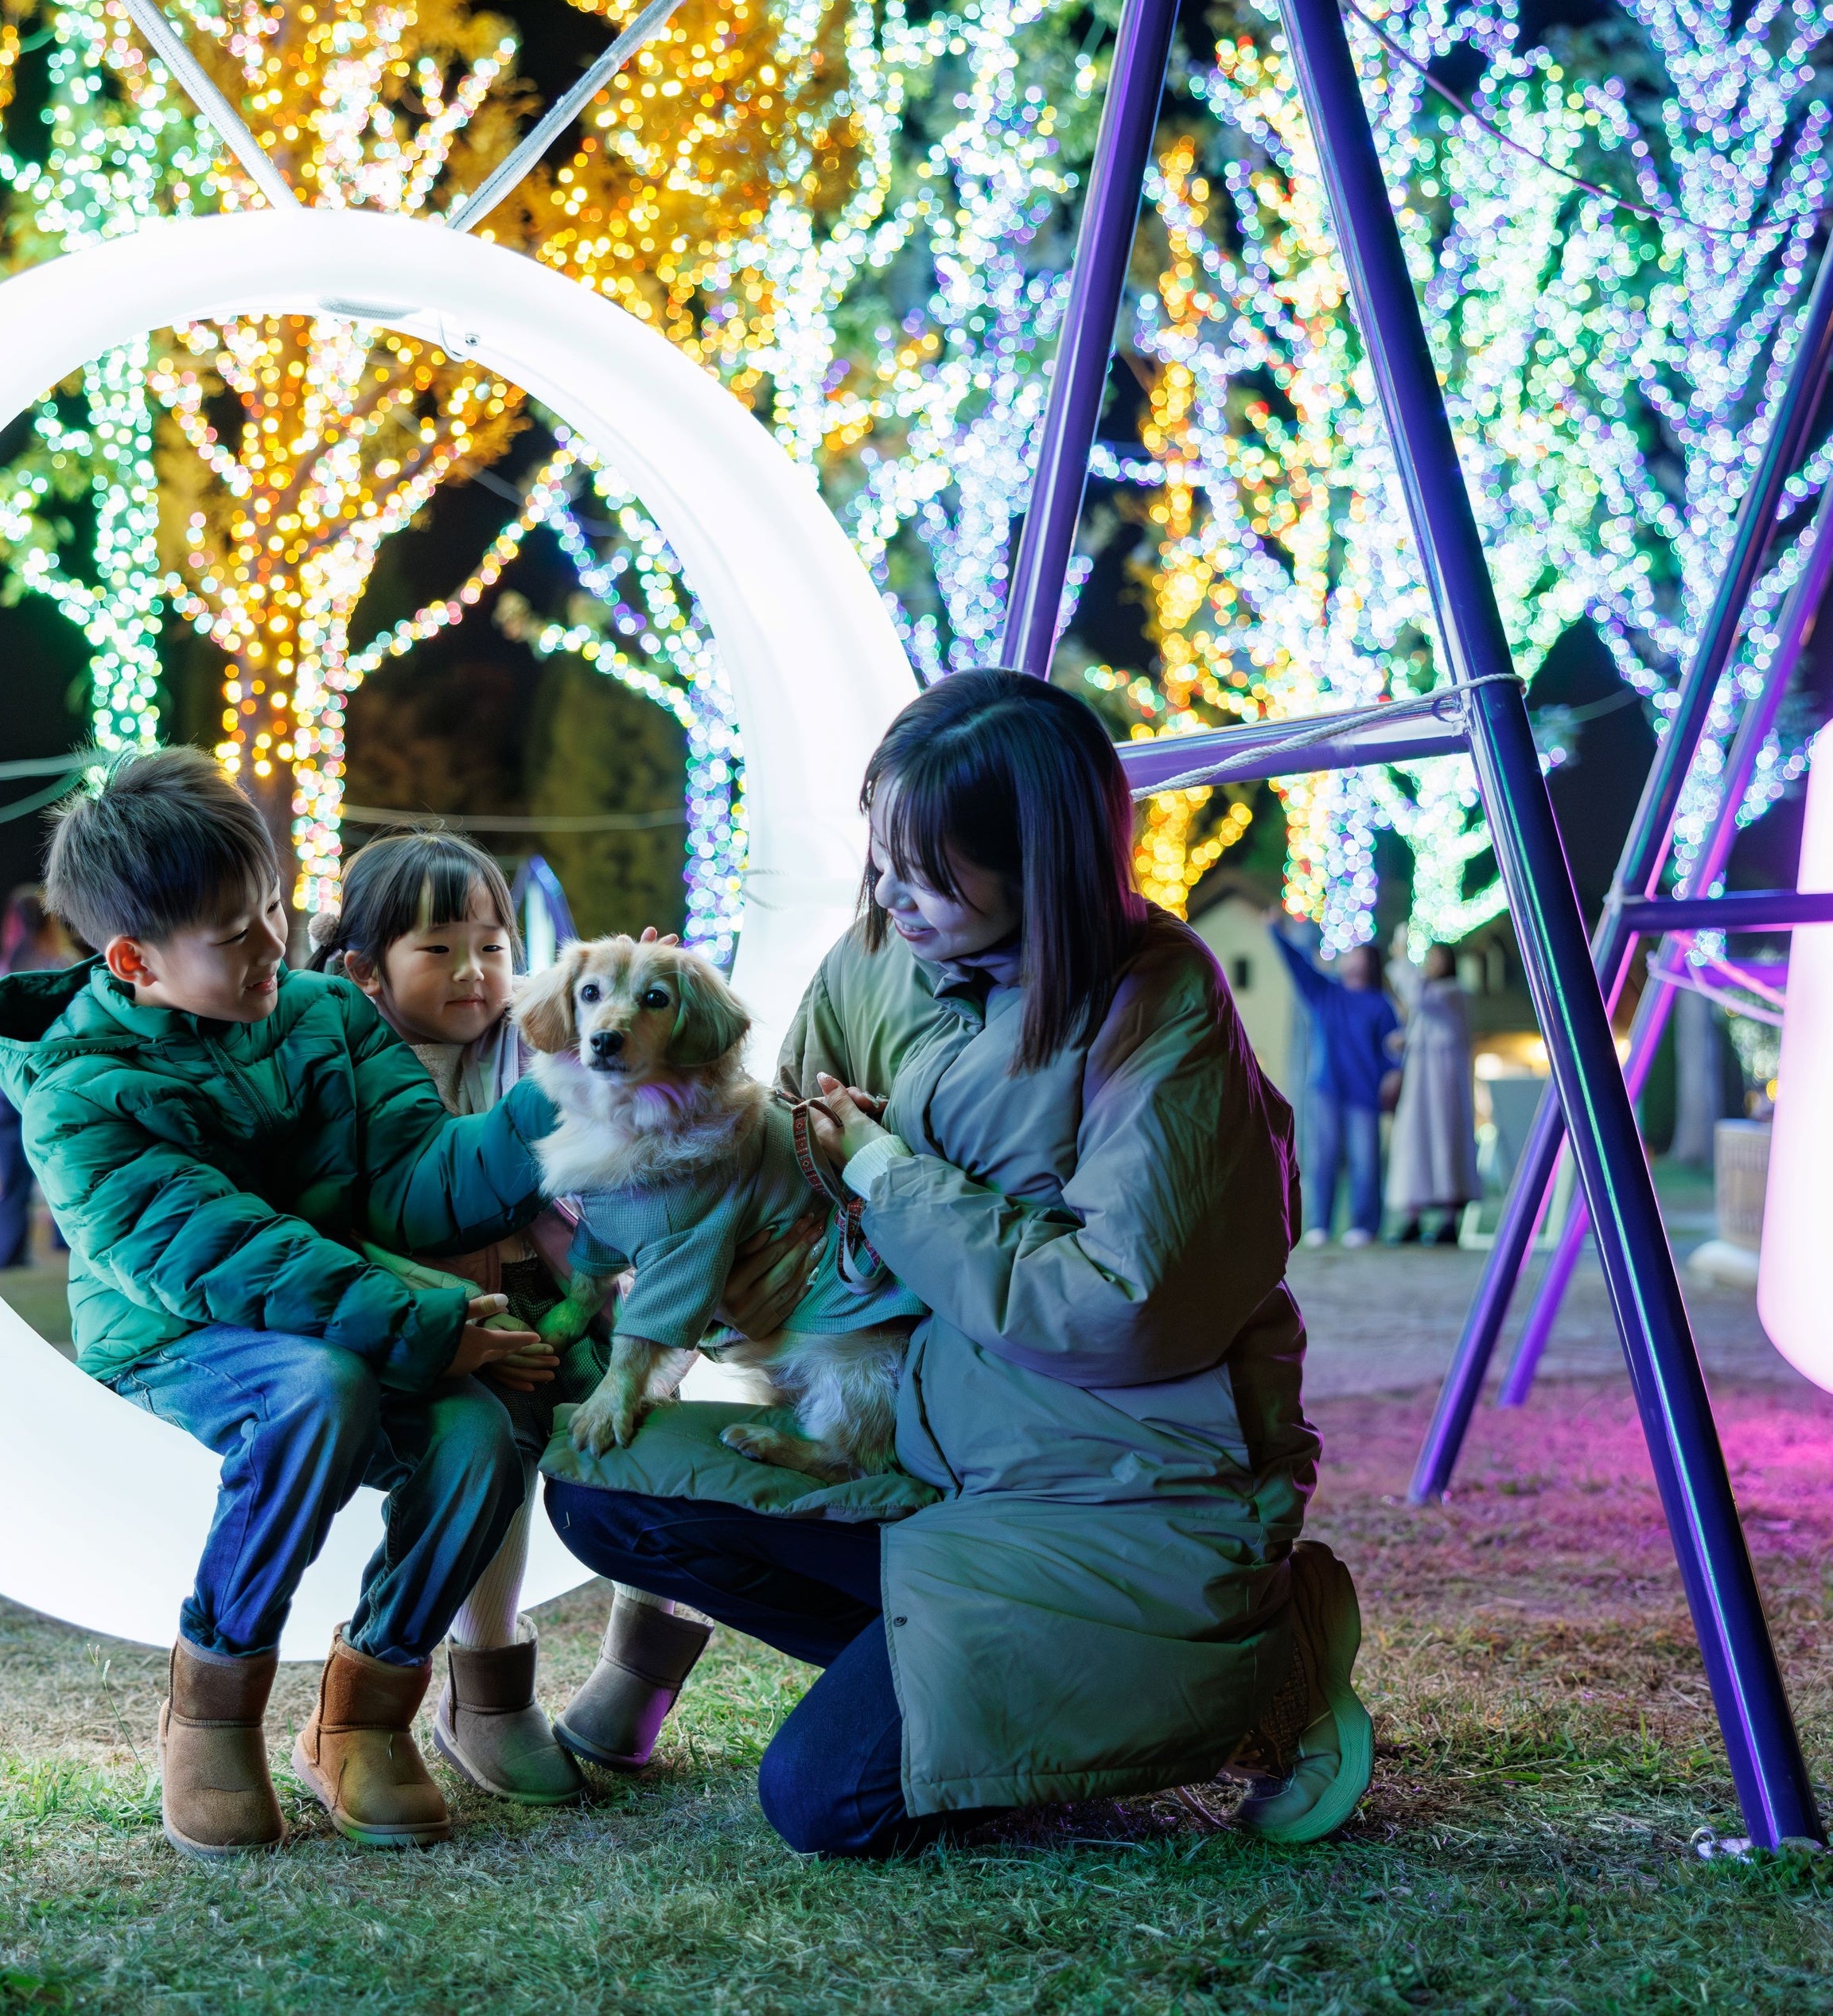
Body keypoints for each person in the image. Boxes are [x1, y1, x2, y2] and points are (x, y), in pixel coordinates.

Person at [542, 668, 1370, 1858]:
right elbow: (792, 1152)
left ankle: (1254, 1668)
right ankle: (973, 1674)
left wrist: (887, 1173)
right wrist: (679, 1216)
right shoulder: (878, 950)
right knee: (600, 1483)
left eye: (929, 874)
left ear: (1044, 867)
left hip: (1098, 1486)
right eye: (883, 859)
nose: (892, 896)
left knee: (824, 1802)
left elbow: (1122, 1310)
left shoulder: (1161, 1003)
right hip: (910, 1443)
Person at [0, 752, 563, 1858]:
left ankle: (365, 1714)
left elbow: (416, 1177)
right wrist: (423, 1325)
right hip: (179, 1337)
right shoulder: (78, 1091)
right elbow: (227, 1256)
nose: (273, 946)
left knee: (479, 1430)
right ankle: (212, 1708)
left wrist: (562, 1100)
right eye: (235, 933)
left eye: (278, 910)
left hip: (352, 1318)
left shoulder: (330, 1014)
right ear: (135, 960)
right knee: (319, 1387)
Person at [307, 828, 584, 1808]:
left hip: (554, 1298)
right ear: (363, 970)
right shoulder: (341, 1070)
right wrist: (450, 1321)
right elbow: (342, 1223)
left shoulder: (528, 1041)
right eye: (437, 948)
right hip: (425, 1318)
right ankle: (487, 1682)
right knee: (496, 1451)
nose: (474, 972)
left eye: (492, 947)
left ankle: (636, 1671)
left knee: (635, 1428)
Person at [1270, 917, 1403, 1247]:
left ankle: (1365, 1226)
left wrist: (1393, 1076)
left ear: (1369, 963)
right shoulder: (1325, 993)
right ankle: (1320, 1225)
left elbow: (1393, 1051)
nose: (1349, 957)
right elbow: (1298, 966)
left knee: (1365, 1161)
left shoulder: (1380, 1004)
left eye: (1357, 954)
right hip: (1327, 1089)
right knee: (1323, 1158)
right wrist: (1276, 932)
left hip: (1365, 1093)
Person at [0, 885, 80, 1271]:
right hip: (41, 1086)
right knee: (60, 1169)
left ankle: (14, 1253)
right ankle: (56, 1246)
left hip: (18, 1086)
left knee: (21, 1178)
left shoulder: (10, 967)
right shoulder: (61, 963)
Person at [1387, 942, 1480, 1246]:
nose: (1431, 963)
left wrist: (1401, 961)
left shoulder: (1452, 993)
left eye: (1437, 958)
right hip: (1419, 1085)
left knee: (1444, 1142)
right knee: (1415, 1143)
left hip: (1443, 1085)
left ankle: (1449, 1218)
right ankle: (1413, 1216)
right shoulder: (1431, 996)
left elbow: (1423, 1001)